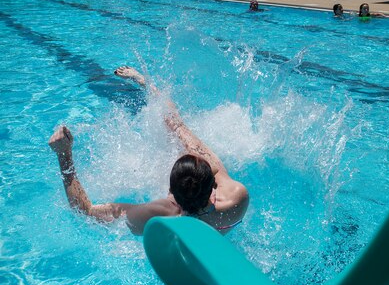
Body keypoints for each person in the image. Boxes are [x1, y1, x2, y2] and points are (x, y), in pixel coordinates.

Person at [48, 66, 249, 236]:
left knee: (175, 125)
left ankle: (143, 81)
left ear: (170, 193)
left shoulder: (158, 215)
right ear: (214, 187)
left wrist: (63, 154)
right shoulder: (236, 199)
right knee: (177, 127)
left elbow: (86, 212)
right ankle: (143, 82)